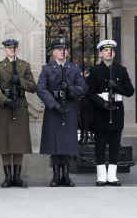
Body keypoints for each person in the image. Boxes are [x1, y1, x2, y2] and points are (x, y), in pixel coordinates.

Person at [37, 37, 88, 187]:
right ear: (54, 52)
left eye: (64, 49)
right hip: (54, 110)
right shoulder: (47, 68)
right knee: (54, 144)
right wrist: (53, 104)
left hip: (69, 109)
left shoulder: (74, 68)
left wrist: (70, 89)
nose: (62, 52)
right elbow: (41, 89)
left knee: (67, 144)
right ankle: (55, 176)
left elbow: (84, 88)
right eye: (59, 49)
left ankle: (66, 175)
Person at [0, 38, 37, 188]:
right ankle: (8, 176)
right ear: (5, 50)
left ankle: (18, 176)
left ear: (18, 50)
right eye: (9, 48)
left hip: (20, 105)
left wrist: (20, 81)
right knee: (5, 142)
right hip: (6, 106)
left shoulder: (24, 65)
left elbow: (33, 87)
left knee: (19, 142)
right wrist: (3, 100)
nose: (12, 50)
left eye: (14, 48)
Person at [86, 40, 135, 186]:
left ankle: (112, 175)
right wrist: (103, 104)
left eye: (111, 50)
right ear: (101, 53)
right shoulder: (95, 71)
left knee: (115, 144)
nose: (109, 52)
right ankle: (101, 175)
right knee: (100, 145)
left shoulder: (121, 70)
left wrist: (117, 86)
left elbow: (130, 91)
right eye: (106, 50)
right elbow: (89, 93)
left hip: (117, 111)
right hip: (101, 112)